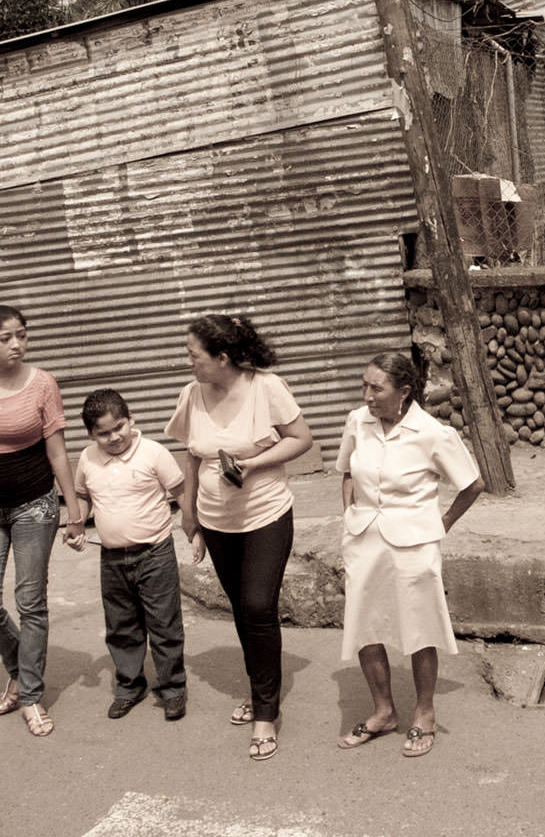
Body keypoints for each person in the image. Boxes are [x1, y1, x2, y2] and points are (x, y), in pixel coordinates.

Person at [166, 314, 314, 760]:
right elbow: (190, 456)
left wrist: (252, 464)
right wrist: (188, 512)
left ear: (222, 358)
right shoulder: (192, 395)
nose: (188, 362)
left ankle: (266, 713)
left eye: (194, 355)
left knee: (257, 605)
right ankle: (258, 687)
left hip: (266, 515)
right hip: (216, 521)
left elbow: (301, 438)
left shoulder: (266, 387)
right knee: (242, 611)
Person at [335, 349, 484, 759]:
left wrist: (443, 524)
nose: (367, 395)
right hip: (365, 537)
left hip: (415, 543)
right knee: (365, 625)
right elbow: (347, 470)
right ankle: (383, 711)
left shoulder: (432, 433)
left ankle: (424, 713)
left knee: (419, 628)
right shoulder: (357, 422)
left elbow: (472, 484)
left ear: (403, 392)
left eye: (376, 388)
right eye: (364, 385)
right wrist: (349, 514)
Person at [0, 304, 84, 738]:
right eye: (6, 338)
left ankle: (29, 695)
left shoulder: (42, 384)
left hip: (35, 506)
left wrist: (73, 507)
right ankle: (18, 665)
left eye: (22, 335)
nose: (17, 344)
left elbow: (58, 451)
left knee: (31, 603)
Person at [67, 388, 188, 722]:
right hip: (112, 559)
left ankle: (173, 688)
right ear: (91, 434)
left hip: (155, 553)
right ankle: (129, 686)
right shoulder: (88, 459)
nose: (113, 437)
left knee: (164, 624)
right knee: (121, 626)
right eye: (103, 433)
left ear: (131, 419)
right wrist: (76, 524)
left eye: (118, 427)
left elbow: (180, 491)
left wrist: (195, 529)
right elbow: (83, 497)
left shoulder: (153, 453)